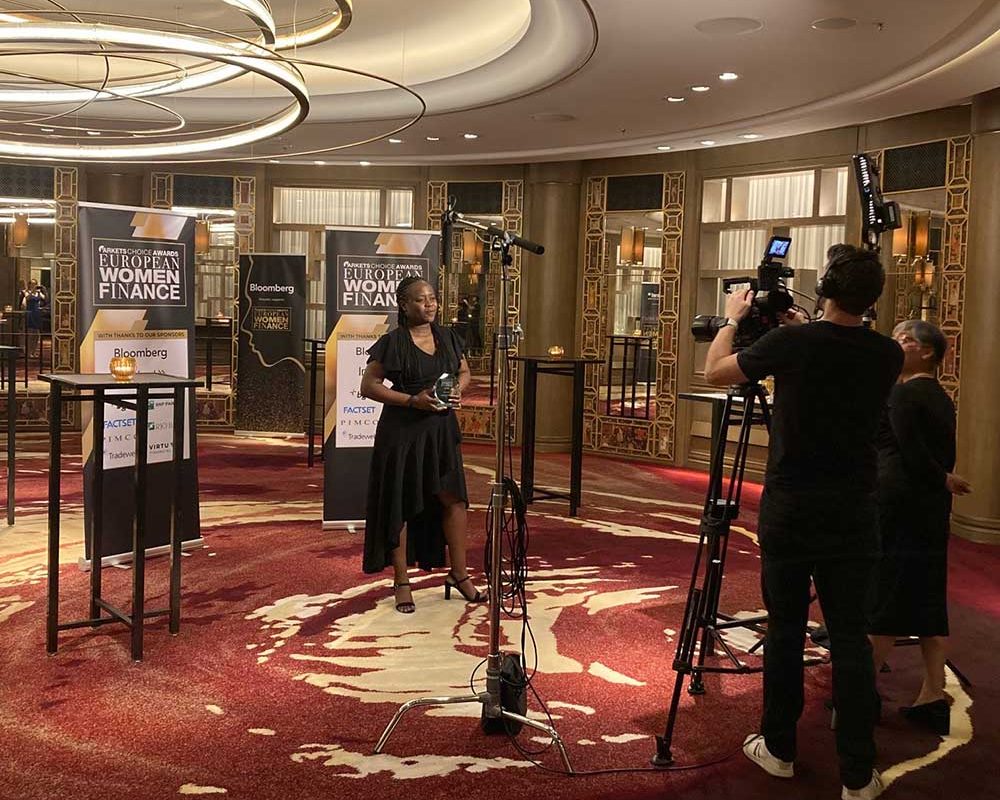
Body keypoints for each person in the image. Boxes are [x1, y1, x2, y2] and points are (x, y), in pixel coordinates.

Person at [703, 245, 903, 800]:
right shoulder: (887, 354)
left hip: (793, 506)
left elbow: (716, 370)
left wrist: (733, 319)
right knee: (851, 640)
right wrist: (802, 325)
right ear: (872, 299)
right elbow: (839, 348)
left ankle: (780, 749)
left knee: (786, 630)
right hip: (856, 510)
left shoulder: (792, 343)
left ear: (828, 288)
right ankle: (859, 774)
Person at [359, 276, 486, 613]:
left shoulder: (447, 337)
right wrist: (412, 400)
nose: (429, 304)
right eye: (420, 299)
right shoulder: (394, 342)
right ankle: (402, 582)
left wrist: (458, 388)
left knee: (454, 500)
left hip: (441, 431)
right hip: (403, 432)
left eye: (432, 298)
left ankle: (459, 574)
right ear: (404, 304)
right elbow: (368, 386)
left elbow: (464, 372)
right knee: (400, 504)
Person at [869, 320, 971, 736]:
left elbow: (911, 452)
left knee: (888, 591)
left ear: (927, 352)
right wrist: (941, 481)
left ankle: (857, 691)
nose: (897, 343)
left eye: (906, 339)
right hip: (927, 505)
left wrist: (941, 478)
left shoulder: (905, 392)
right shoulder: (939, 395)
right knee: (928, 597)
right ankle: (932, 693)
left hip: (901, 502)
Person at [22, 278, 44, 357]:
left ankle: (34, 351)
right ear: (29, 284)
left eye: (35, 284)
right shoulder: (26, 292)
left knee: (36, 335)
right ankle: (28, 352)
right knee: (30, 334)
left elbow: (44, 298)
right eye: (32, 283)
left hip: (37, 314)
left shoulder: (38, 293)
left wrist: (42, 290)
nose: (33, 285)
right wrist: (31, 291)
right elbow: (27, 299)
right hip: (30, 313)